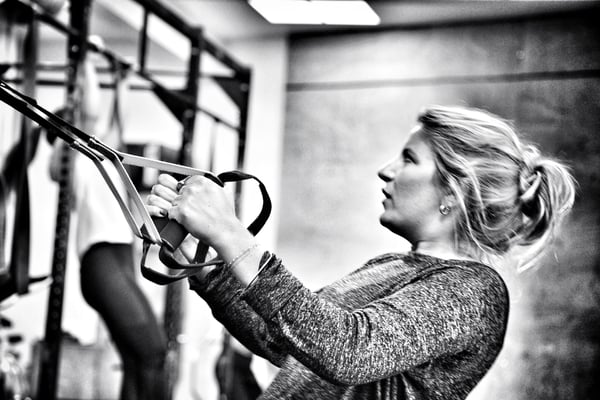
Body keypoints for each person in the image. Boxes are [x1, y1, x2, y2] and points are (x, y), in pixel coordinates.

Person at [146, 106, 576, 399]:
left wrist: (229, 232)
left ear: (453, 191)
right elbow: (284, 341)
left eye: (409, 159)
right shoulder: (390, 266)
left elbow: (347, 351)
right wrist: (200, 259)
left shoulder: (474, 291)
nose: (386, 170)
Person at [49, 58, 168, 400]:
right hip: (102, 262)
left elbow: (117, 124)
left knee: (137, 360)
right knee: (153, 352)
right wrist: (86, 60)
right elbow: (90, 112)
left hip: (118, 260)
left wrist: (121, 82)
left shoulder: (101, 158)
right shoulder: (69, 158)